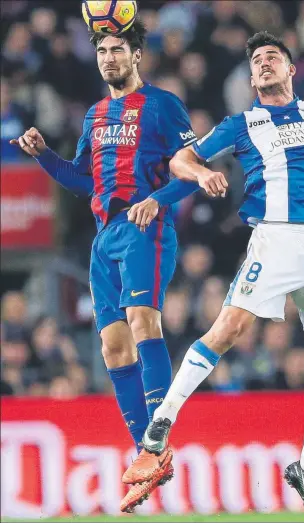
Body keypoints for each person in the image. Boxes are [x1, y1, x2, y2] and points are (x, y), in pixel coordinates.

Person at [123, 31, 304, 520]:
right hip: (275, 237)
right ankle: (161, 421)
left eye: (271, 57)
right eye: (255, 60)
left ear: (290, 69)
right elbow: (183, 158)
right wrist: (199, 175)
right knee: (230, 328)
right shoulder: (242, 123)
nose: (262, 64)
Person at [10, 18, 226, 514]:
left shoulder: (163, 104)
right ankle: (145, 456)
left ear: (137, 56)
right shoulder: (95, 115)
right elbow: (83, 179)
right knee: (111, 345)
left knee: (141, 320)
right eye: (103, 51)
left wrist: (156, 201)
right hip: (104, 236)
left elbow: (189, 169)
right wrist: (43, 155)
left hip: (145, 227)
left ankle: (156, 440)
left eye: (117, 49)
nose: (109, 57)